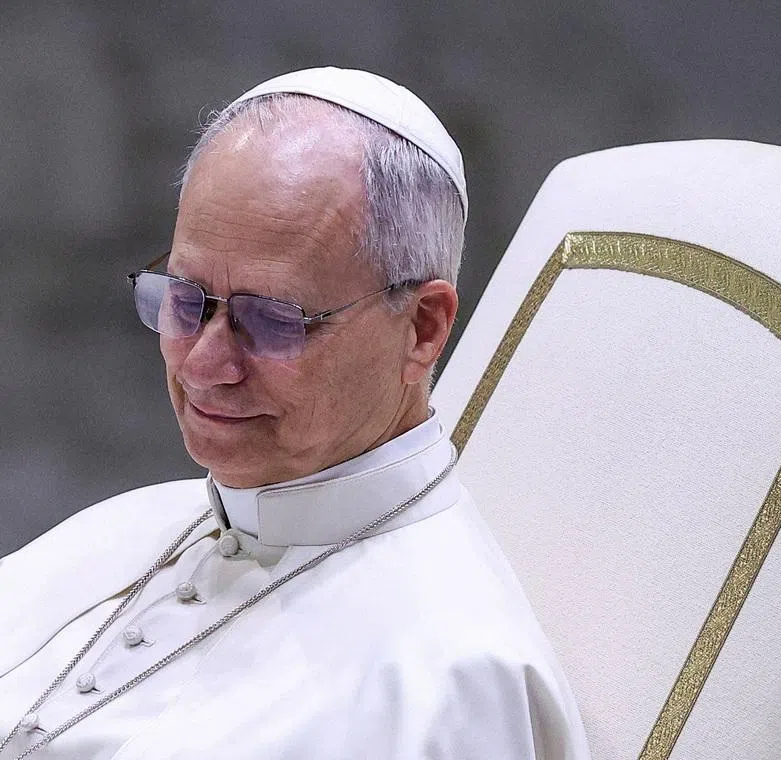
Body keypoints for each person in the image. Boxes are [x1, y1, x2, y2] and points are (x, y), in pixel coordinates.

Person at [0, 67, 590, 759]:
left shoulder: (449, 685)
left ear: (422, 327)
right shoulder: (119, 530)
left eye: (272, 320)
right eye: (186, 300)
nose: (203, 365)